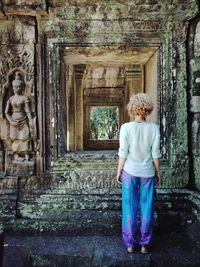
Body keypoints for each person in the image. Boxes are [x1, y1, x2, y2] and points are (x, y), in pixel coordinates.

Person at [116, 93, 161, 254]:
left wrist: (118, 170)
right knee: (147, 207)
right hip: (148, 173)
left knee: (129, 207)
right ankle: (144, 244)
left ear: (132, 108)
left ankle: (130, 244)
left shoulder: (126, 128)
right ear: (147, 109)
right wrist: (158, 171)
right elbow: (155, 154)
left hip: (129, 172)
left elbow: (123, 152)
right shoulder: (154, 128)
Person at [5, 72, 33, 161]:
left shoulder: (25, 98)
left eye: (18, 87)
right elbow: (6, 112)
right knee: (15, 138)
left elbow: (28, 111)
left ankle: (26, 154)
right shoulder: (11, 99)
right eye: (14, 87)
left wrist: (31, 120)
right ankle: (16, 154)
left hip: (23, 119)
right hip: (13, 120)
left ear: (22, 87)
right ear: (12, 87)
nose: (16, 88)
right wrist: (11, 121)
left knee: (25, 137)